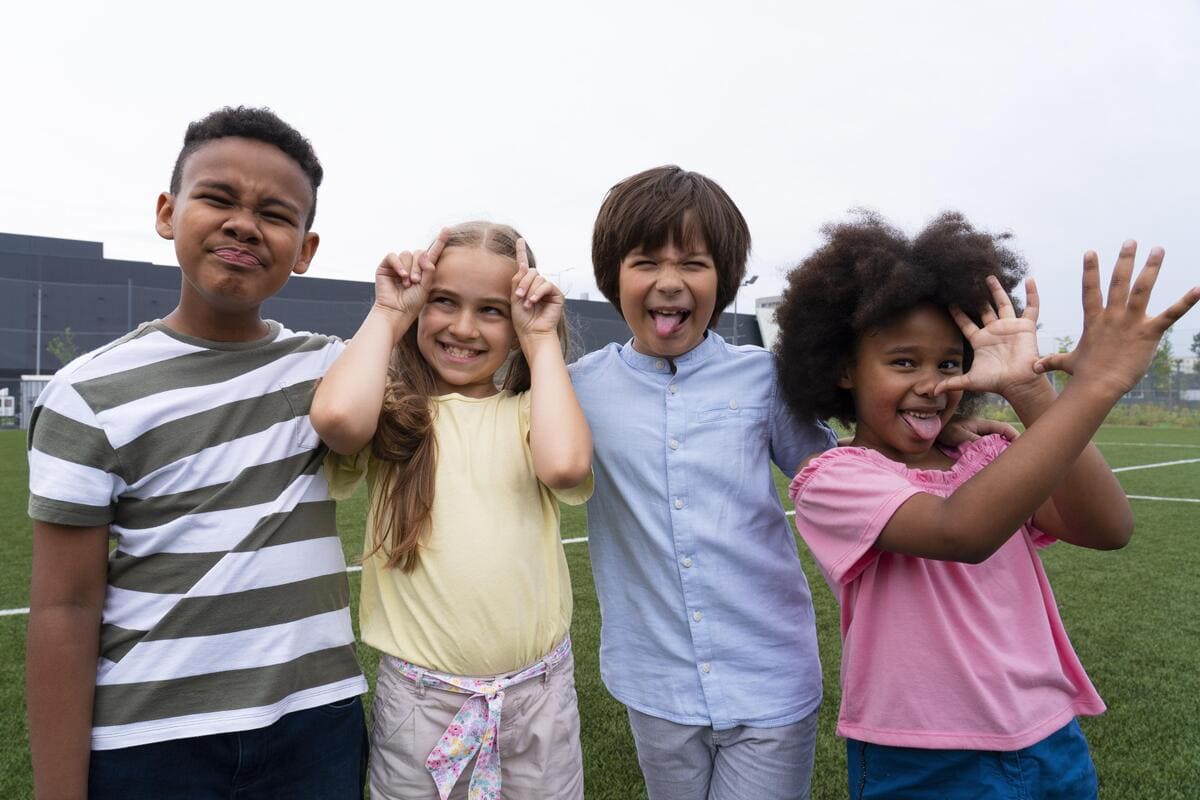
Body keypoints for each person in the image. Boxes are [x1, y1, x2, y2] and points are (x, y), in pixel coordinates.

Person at [568, 167, 1009, 800]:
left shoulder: (764, 379)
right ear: (614, 275)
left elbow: (847, 470)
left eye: (693, 262)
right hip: (652, 679)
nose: (669, 282)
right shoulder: (579, 388)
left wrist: (937, 434)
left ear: (723, 277)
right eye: (645, 262)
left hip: (769, 676)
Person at [778, 211, 1199, 799]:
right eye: (904, 362)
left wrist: (1030, 390)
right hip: (922, 754)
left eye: (950, 363)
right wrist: (1095, 386)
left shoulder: (989, 454)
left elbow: (1108, 527)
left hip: (1049, 735)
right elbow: (961, 533)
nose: (932, 384)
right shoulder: (835, 479)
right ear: (843, 368)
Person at [25, 106, 368, 799]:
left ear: (305, 250)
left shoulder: (333, 374)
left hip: (318, 722)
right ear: (166, 211)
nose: (243, 223)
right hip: (151, 741)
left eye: (275, 213)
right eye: (217, 197)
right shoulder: (85, 394)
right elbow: (64, 606)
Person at [311, 221, 593, 800]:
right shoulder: (393, 414)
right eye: (443, 302)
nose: (463, 328)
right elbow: (337, 420)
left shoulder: (528, 415)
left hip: (538, 699)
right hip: (420, 705)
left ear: (515, 325)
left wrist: (542, 341)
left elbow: (565, 466)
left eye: (492, 311)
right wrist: (389, 315)